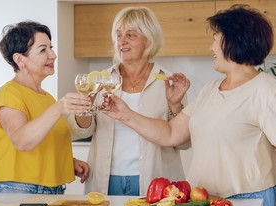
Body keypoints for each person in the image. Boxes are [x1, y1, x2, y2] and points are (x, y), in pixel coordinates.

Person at [102, 5, 276, 206]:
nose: (210, 48)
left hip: (251, 203)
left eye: (215, 39)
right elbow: (172, 134)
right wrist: (125, 114)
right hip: (207, 203)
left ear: (233, 41)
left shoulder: (266, 91)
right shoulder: (210, 89)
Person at [67, 7, 188, 196]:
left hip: (156, 180)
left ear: (148, 39)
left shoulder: (168, 82)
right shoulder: (100, 80)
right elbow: (82, 130)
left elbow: (182, 142)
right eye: (118, 35)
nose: (121, 41)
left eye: (130, 35)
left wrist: (174, 106)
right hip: (106, 178)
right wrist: (86, 105)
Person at [0, 20, 90, 194]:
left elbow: (44, 142)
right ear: (20, 59)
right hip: (17, 190)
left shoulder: (46, 98)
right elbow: (22, 141)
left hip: (50, 190)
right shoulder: (8, 94)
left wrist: (68, 162)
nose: (53, 55)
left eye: (51, 47)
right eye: (43, 50)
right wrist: (58, 108)